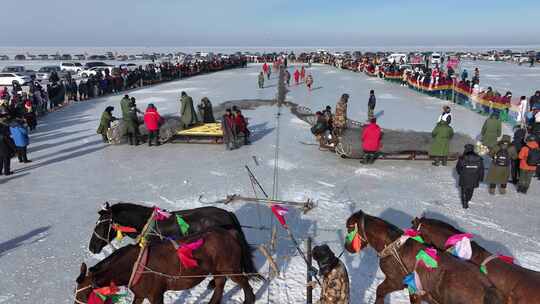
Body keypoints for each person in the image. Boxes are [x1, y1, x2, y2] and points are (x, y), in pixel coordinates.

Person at [455, 144, 484, 209]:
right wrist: (480, 178)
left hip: (464, 176)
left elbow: (458, 168)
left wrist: (461, 173)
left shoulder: (462, 158)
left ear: (466, 149)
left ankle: (465, 202)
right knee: (471, 189)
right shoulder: (479, 158)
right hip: (474, 177)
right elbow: (481, 169)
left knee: (464, 190)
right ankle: (468, 199)